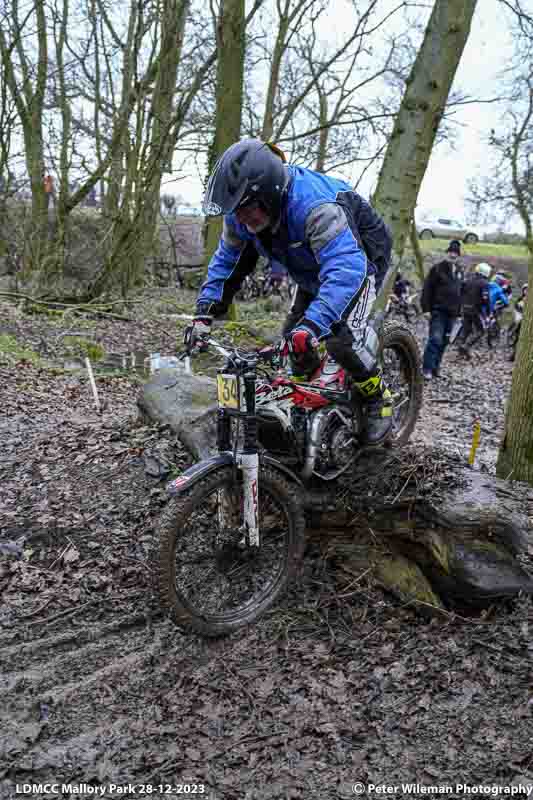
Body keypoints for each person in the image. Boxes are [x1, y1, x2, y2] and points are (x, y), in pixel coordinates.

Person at [185, 138, 394, 446]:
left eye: (247, 210)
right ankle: (307, 409)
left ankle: (379, 397)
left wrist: (314, 325)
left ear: (269, 194)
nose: (243, 219)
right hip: (310, 268)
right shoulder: (240, 215)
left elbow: (346, 270)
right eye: (237, 212)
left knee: (338, 341)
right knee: (293, 342)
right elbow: (227, 262)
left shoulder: (316, 207)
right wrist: (205, 312)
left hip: (358, 260)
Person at [420, 240, 463, 380]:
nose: (453, 255)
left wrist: (460, 313)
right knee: (435, 339)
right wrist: (426, 309)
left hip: (453, 314)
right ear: (447, 253)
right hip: (438, 311)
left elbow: (461, 293)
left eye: (456, 253)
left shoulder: (460, 272)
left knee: (444, 342)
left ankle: (435, 368)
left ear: (458, 255)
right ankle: (426, 369)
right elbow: (427, 289)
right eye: (451, 252)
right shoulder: (437, 269)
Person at [457, 263, 490, 358]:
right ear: (486, 272)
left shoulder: (468, 279)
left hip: (465, 308)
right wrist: (487, 313)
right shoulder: (484, 283)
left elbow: (461, 292)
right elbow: (486, 299)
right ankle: (466, 346)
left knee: (466, 329)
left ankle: (460, 347)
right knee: (481, 330)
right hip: (476, 310)